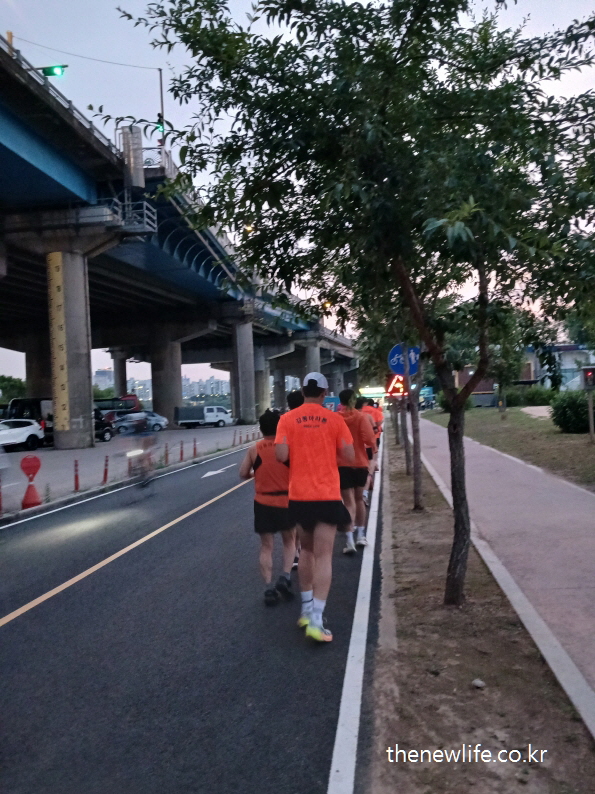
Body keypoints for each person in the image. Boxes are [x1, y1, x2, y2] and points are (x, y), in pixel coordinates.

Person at [275, 372, 354, 642]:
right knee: (324, 556)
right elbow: (349, 454)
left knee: (306, 551)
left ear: (302, 391)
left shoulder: (287, 419)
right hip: (327, 495)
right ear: (324, 393)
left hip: (299, 496)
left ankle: (306, 611)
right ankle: (317, 621)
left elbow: (281, 455)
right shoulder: (335, 420)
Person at [239, 409, 297, 606]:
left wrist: (255, 475)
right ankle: (285, 576)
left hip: (263, 502)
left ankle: (268, 588)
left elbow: (243, 473)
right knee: (289, 541)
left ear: (261, 429)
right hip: (286, 500)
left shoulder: (254, 449)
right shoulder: (287, 448)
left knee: (266, 546)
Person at [337, 389, 377, 553]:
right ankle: (361, 535)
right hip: (360, 462)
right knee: (359, 499)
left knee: (348, 502)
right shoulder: (361, 417)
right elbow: (369, 439)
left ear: (340, 401)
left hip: (341, 464)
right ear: (354, 400)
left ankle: (349, 540)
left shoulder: (336, 418)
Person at [286, 389, 305, 569]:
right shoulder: (311, 421)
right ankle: (300, 549)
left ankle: (295, 550)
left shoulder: (285, 421)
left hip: (289, 475)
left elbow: (280, 453)